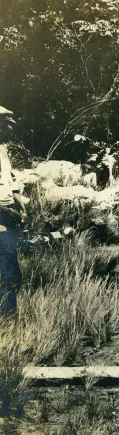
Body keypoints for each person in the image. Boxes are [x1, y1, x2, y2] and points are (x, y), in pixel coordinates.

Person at [0, 108, 26, 318]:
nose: (11, 129)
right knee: (8, 273)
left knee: (13, 273)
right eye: (8, 124)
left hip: (8, 214)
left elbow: (11, 184)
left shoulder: (3, 150)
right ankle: (9, 318)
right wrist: (6, 211)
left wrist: (21, 208)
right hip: (1, 215)